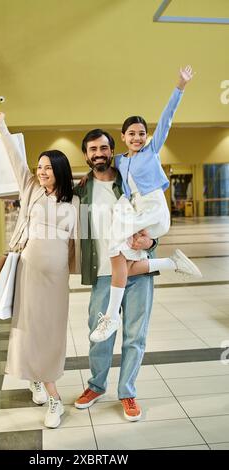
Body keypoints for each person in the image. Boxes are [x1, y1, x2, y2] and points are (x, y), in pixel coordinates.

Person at [88, 66, 202, 343]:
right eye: (132, 134)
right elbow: (98, 168)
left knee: (116, 248)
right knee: (123, 261)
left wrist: (180, 86)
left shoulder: (151, 152)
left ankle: (111, 316)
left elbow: (167, 119)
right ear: (123, 136)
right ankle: (171, 262)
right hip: (134, 207)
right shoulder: (121, 161)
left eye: (141, 133)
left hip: (152, 209)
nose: (137, 138)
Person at [0, 113, 80, 429]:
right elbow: (16, 159)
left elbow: (75, 245)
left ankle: (44, 380)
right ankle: (49, 392)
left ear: (59, 171)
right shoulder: (30, 188)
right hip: (28, 274)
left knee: (52, 333)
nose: (42, 171)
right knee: (28, 329)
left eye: (47, 167)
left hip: (55, 280)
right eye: (40, 166)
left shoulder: (73, 202)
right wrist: (2, 127)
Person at [73, 128, 157, 421]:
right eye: (93, 149)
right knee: (99, 335)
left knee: (135, 335)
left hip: (138, 272)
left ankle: (127, 392)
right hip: (103, 274)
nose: (99, 154)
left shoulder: (131, 182)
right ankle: (96, 386)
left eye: (104, 148)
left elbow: (156, 218)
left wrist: (152, 242)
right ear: (86, 155)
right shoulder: (81, 190)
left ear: (113, 151)